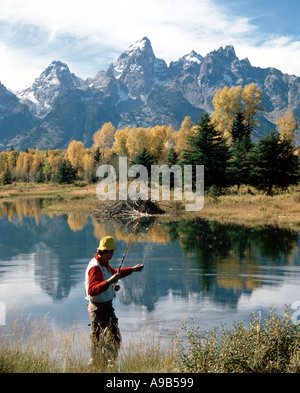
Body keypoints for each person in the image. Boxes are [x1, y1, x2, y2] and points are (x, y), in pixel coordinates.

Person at [85, 235, 143, 365]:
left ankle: (99, 363)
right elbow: (92, 290)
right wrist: (110, 281)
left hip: (103, 306)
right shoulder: (95, 267)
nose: (113, 254)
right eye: (112, 251)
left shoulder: (103, 264)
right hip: (99, 308)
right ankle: (110, 364)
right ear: (106, 251)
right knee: (112, 338)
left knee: (99, 338)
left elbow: (115, 273)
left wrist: (133, 270)